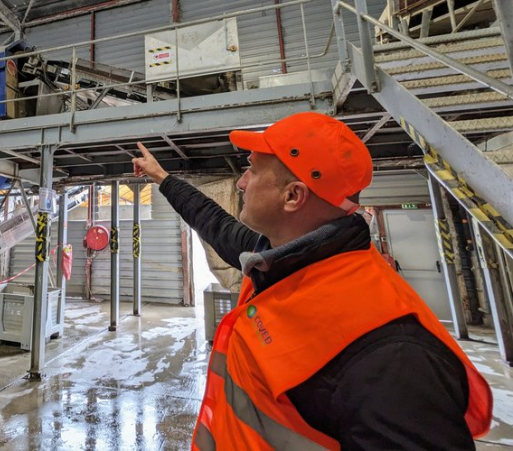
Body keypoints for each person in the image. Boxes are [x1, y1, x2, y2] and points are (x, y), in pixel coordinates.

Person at [131, 112, 492, 450]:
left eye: (252, 171)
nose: (241, 182)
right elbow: (214, 223)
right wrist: (161, 176)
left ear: (293, 196)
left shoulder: (392, 359)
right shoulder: (275, 259)